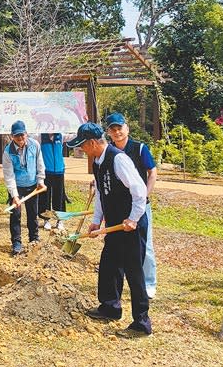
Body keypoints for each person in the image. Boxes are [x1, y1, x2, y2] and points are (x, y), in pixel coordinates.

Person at [66, 122, 152, 338]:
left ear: (93, 143)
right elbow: (102, 195)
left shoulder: (118, 159)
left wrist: (133, 219)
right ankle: (110, 307)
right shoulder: (96, 161)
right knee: (109, 265)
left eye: (82, 146)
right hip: (114, 224)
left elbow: (140, 191)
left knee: (134, 272)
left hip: (131, 225)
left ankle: (142, 323)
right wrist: (96, 220)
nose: (81, 150)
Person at [105, 112, 158, 299]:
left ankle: (149, 283)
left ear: (127, 128)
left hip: (140, 206)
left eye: (120, 128)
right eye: (113, 129)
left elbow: (152, 173)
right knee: (120, 246)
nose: (117, 132)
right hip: (119, 208)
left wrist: (144, 197)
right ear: (108, 133)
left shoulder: (139, 148)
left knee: (146, 246)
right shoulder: (109, 151)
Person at [2, 120, 46, 255]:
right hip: (17, 187)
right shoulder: (8, 152)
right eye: (17, 136)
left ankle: (34, 239)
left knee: (33, 214)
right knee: (15, 215)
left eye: (22, 135)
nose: (20, 138)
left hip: (33, 185)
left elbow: (40, 164)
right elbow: (9, 175)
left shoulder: (35, 145)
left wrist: (40, 181)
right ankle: (16, 243)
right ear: (11, 136)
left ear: (26, 134)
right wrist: (15, 196)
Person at [38, 133, 66, 231]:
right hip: (46, 171)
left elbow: (75, 134)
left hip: (59, 171)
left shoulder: (60, 136)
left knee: (59, 197)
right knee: (45, 197)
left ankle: (60, 220)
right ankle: (46, 220)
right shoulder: (40, 137)